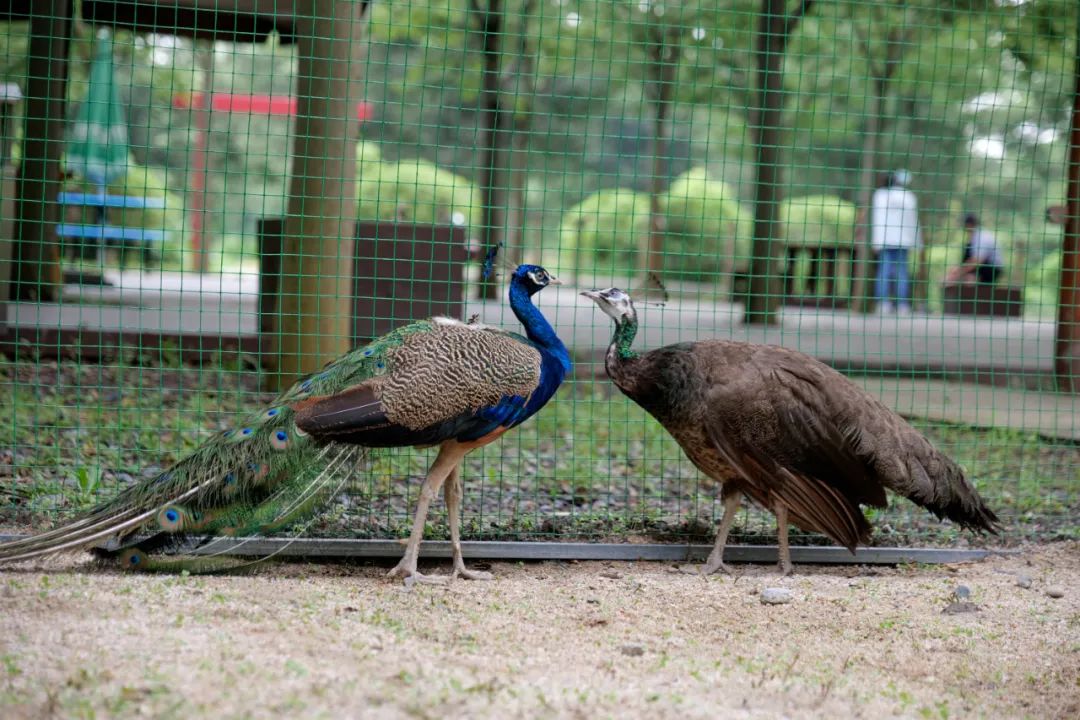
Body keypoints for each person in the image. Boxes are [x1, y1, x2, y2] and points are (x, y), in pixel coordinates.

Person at [871, 169, 921, 314]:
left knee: (884, 271)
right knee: (901, 273)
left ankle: (883, 303)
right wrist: (917, 241)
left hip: (884, 239)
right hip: (903, 240)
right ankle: (902, 305)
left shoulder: (879, 195)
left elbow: (874, 219)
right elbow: (913, 221)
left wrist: (875, 241)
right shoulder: (908, 196)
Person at [946, 213, 1003, 285]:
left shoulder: (982, 236)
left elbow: (978, 260)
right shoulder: (974, 237)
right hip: (983, 267)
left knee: (966, 278)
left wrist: (959, 271)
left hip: (991, 269)